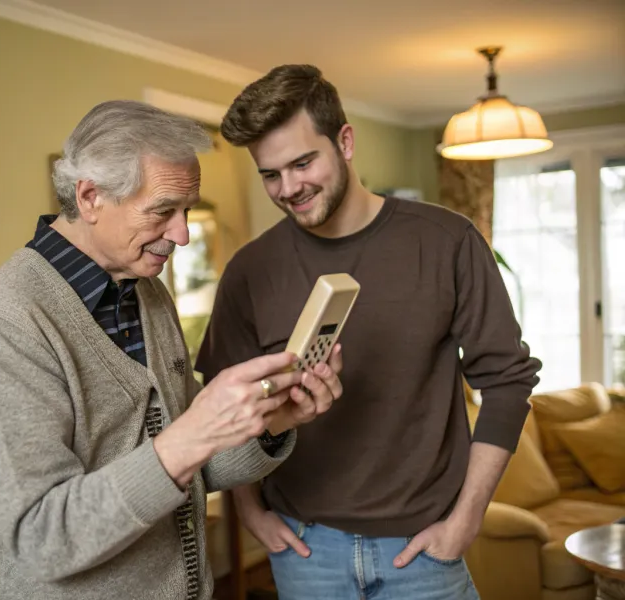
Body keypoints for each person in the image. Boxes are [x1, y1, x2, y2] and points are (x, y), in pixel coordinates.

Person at [0, 100, 344, 600]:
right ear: (89, 197)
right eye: (163, 211)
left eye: (187, 209)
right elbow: (42, 537)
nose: (183, 234)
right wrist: (191, 435)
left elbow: (187, 468)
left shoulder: (145, 292)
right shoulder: (4, 328)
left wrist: (275, 420)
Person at [194, 65, 543, 600]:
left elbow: (507, 382)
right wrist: (252, 513)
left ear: (346, 142)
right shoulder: (249, 271)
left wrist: (466, 521)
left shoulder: (448, 241)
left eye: (303, 162)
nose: (289, 188)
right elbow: (228, 409)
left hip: (423, 549)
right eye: (270, 174)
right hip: (305, 550)